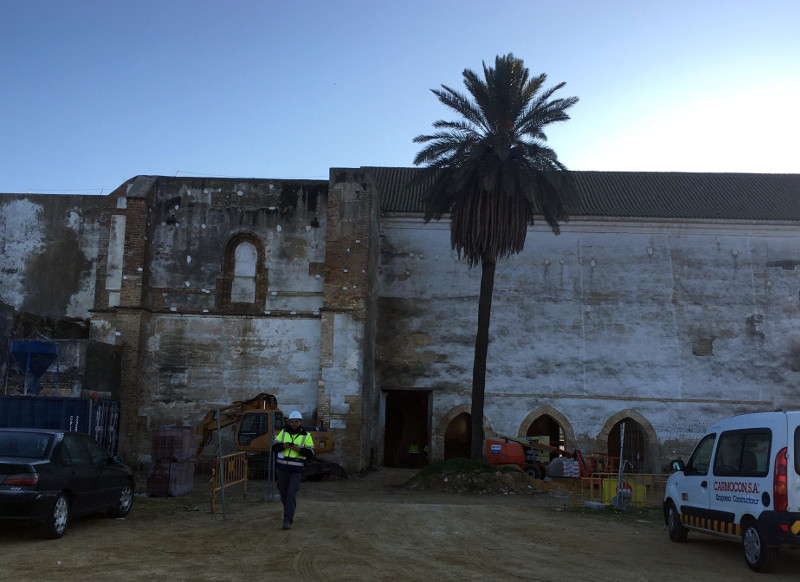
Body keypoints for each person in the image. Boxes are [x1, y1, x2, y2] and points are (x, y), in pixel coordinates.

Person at [271, 410, 314, 530]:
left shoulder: (306, 436)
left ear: (300, 422)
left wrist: (300, 449)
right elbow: (274, 447)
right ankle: (289, 511)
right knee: (284, 494)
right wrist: (282, 446)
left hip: (296, 470)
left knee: (291, 494)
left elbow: (311, 452)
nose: (294, 424)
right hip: (282, 469)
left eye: (296, 422)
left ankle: (287, 520)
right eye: (292, 422)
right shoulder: (283, 433)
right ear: (289, 422)